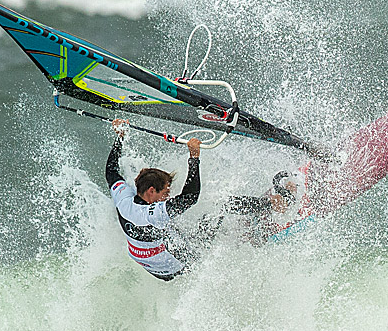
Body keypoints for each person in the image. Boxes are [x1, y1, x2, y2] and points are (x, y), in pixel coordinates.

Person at [105, 118, 294, 281]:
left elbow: (111, 170)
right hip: (177, 266)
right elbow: (191, 197)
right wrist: (194, 157)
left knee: (185, 227)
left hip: (152, 260)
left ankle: (246, 222)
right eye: (165, 192)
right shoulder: (151, 215)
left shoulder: (124, 199)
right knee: (219, 205)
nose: (168, 196)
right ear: (151, 191)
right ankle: (271, 207)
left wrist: (119, 137)